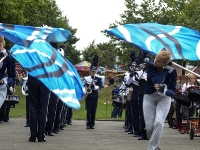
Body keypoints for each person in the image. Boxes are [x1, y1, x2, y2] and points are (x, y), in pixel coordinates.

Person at [143, 49, 177, 150]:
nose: (155, 61)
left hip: (164, 99)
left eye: (159, 61)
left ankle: (152, 148)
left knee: (158, 122)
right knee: (149, 128)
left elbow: (172, 91)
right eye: (156, 58)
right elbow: (156, 81)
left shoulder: (172, 71)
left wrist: (164, 89)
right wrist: (166, 70)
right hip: (149, 97)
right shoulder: (150, 65)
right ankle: (156, 146)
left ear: (165, 63)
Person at [28, 74, 50, 142]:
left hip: (32, 80)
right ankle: (41, 135)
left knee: (33, 108)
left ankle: (33, 135)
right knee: (43, 110)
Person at [84, 54, 102, 129]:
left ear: (96, 71)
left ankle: (92, 123)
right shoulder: (86, 78)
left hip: (95, 96)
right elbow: (84, 86)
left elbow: (99, 88)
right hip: (88, 96)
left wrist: (94, 86)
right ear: (90, 70)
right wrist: (86, 88)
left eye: (94, 71)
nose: (93, 72)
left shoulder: (99, 78)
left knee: (93, 110)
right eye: (92, 71)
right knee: (88, 111)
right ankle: (88, 123)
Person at [0, 35, 16, 123]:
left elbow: (12, 77)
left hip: (1, 87)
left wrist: (4, 81)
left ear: (3, 44)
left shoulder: (8, 58)